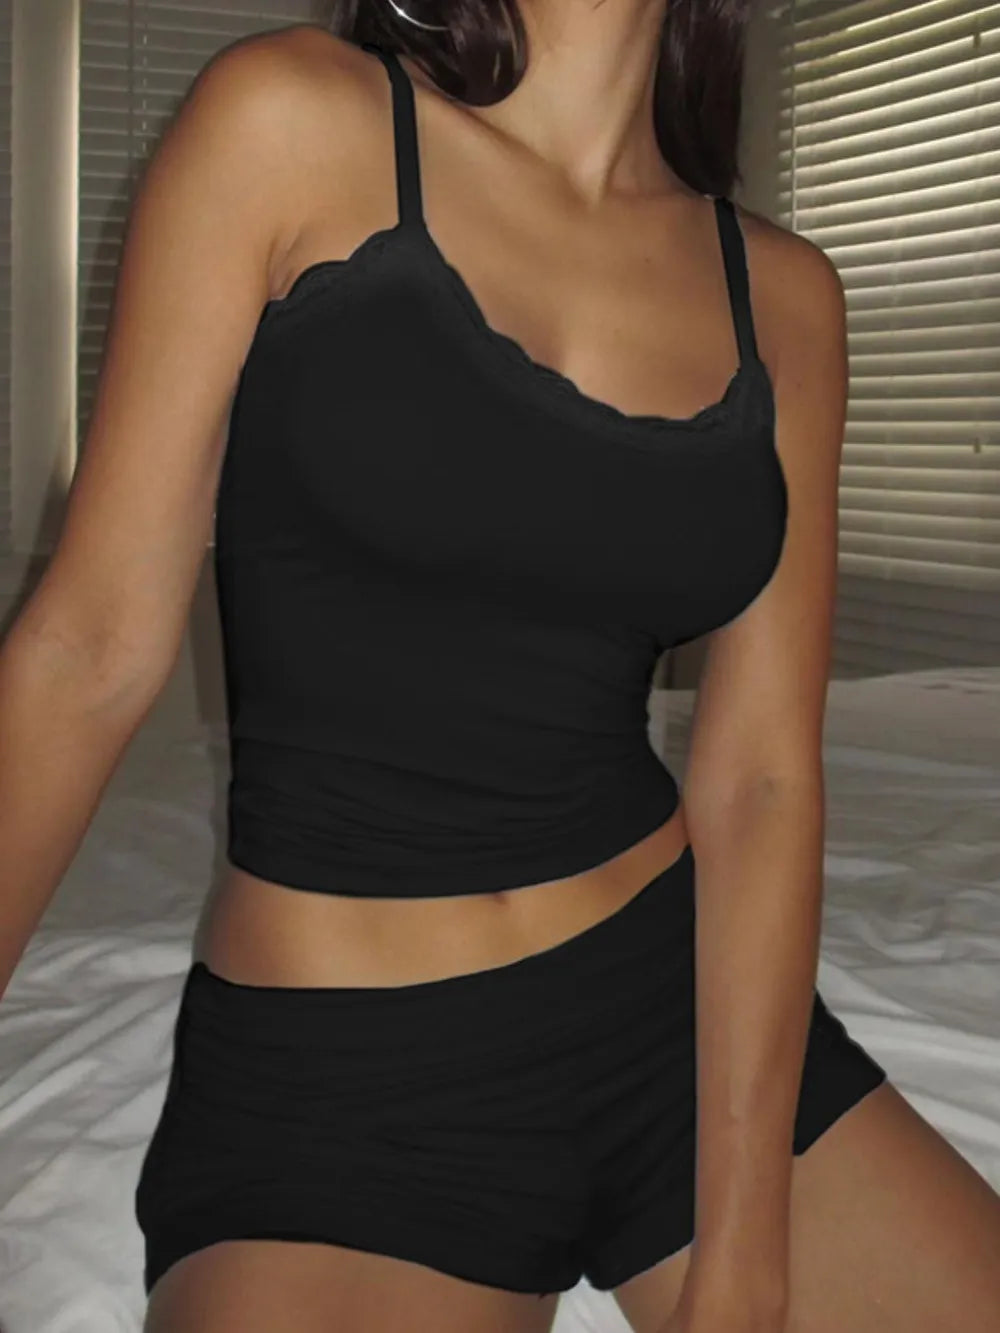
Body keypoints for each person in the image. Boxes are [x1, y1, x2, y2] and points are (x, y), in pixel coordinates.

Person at [1, 3, 999, 1331]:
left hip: (670, 1015)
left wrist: (744, 1247)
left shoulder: (787, 297)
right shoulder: (293, 124)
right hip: (352, 1083)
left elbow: (760, 776)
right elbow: (86, 653)